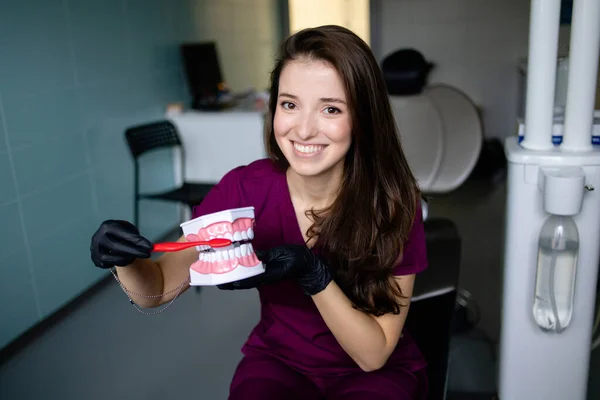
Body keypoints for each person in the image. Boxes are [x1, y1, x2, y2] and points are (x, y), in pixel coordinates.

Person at [90, 25, 429, 400]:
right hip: (279, 363)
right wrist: (125, 262)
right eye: (289, 104)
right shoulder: (244, 189)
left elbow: (372, 356)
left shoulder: (393, 203)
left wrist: (313, 275)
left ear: (363, 118)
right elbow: (155, 291)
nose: (303, 129)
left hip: (373, 373)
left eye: (330, 108)